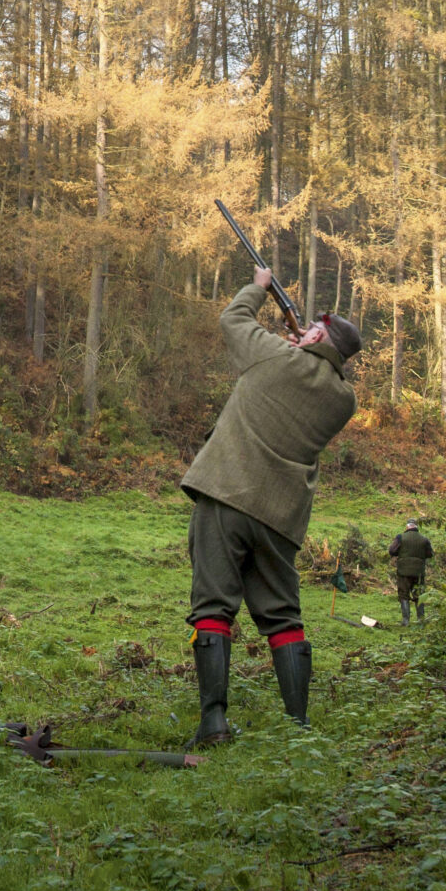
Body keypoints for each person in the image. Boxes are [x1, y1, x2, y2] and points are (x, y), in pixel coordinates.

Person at [179, 268, 364, 743]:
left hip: (227, 494)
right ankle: (298, 727)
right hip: (281, 518)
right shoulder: (343, 400)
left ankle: (213, 722)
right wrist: (306, 344)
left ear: (317, 335)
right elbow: (308, 370)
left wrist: (259, 287)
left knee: (213, 606)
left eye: (313, 329)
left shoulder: (275, 357)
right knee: (283, 618)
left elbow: (233, 319)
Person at [388, 520, 434, 623]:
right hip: (419, 572)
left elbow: (392, 550)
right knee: (419, 594)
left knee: (403, 594)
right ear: (416, 527)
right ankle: (421, 619)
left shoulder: (401, 537)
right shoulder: (424, 539)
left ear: (407, 527)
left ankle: (405, 620)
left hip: (403, 571)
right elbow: (430, 554)